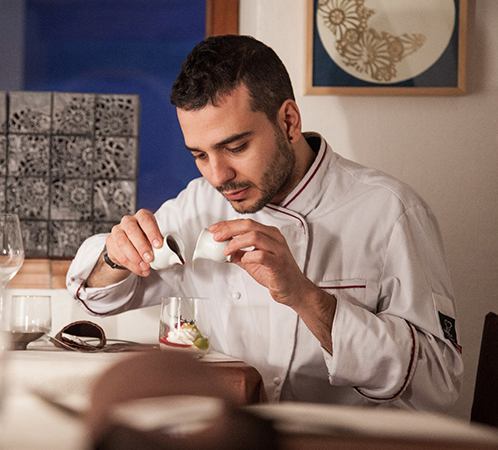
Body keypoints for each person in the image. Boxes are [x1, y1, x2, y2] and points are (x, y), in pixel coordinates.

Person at [65, 35, 462, 411]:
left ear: (288, 121)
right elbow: (96, 297)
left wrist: (305, 296)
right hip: (231, 435)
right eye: (199, 155)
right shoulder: (199, 204)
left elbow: (438, 380)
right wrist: (115, 258)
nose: (218, 176)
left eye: (235, 147)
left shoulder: (390, 211)